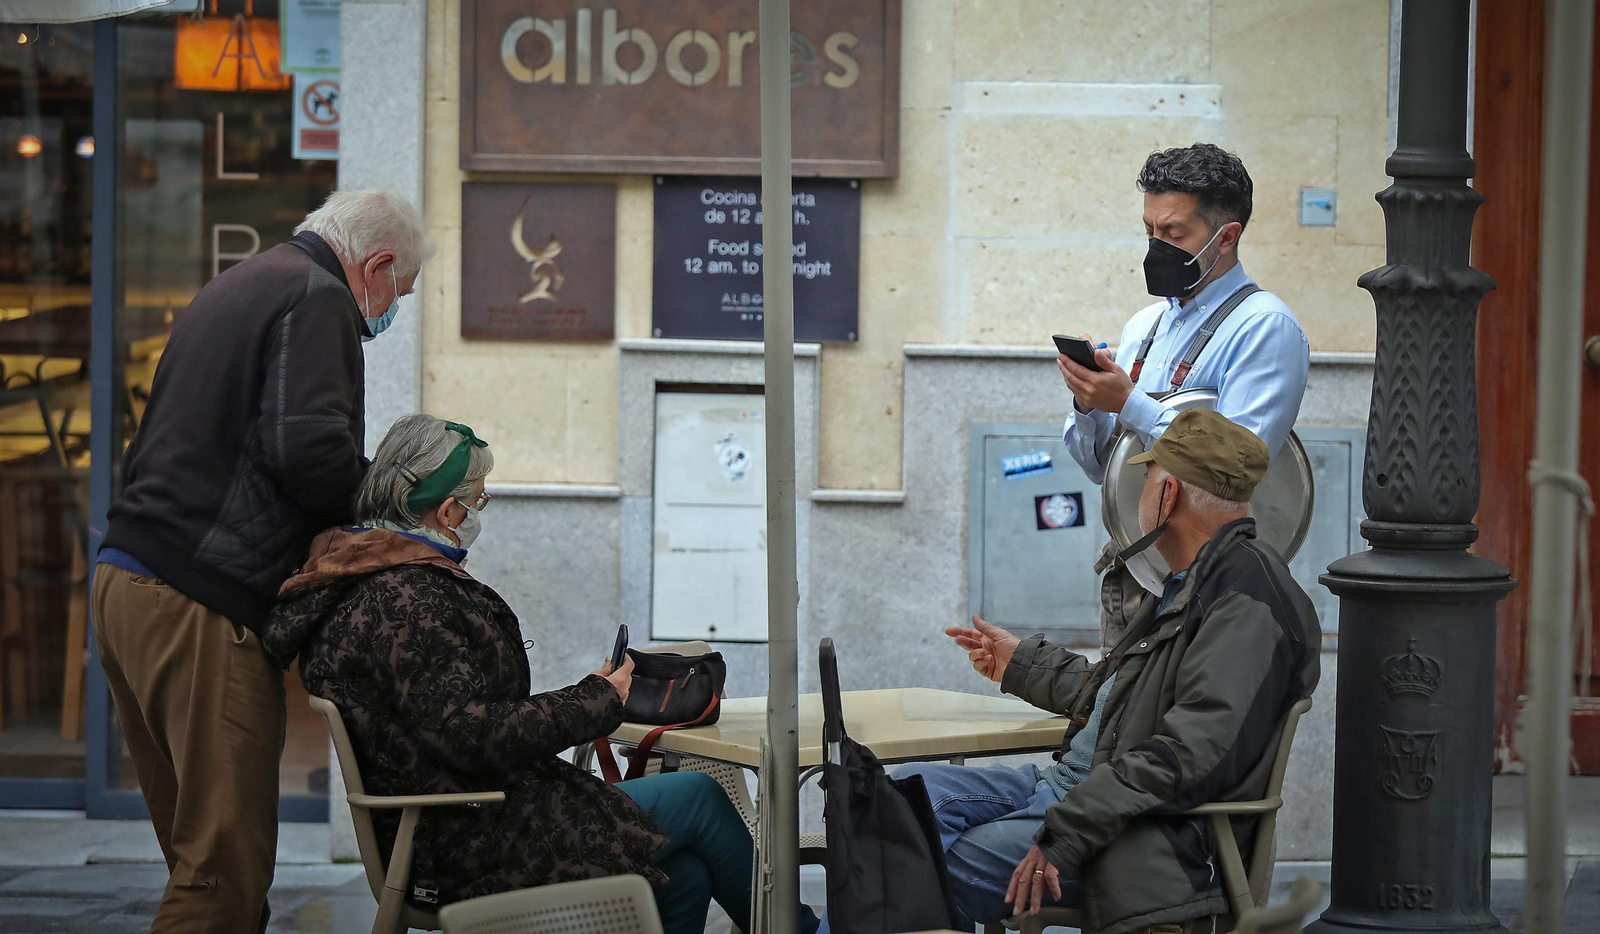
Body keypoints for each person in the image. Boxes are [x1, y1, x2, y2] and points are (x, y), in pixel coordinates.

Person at [260, 415, 822, 934]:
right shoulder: (407, 600)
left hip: (464, 814)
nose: (479, 512)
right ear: (447, 512)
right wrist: (595, 699)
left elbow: (454, 715)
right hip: (466, 837)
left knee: (685, 874)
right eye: (478, 499)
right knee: (697, 795)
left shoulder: (372, 580)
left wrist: (593, 695)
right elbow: (472, 734)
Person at [817, 411, 1320, 934]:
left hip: (1142, 840)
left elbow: (1192, 754)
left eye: (1147, 478)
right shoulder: (1196, 580)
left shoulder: (1244, 600)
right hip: (1074, 792)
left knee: (913, 854)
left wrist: (1068, 830)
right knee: (899, 798)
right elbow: (1124, 698)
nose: (1140, 493)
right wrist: (1020, 665)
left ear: (1168, 495)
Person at [92, 187, 432, 933]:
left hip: (129, 580)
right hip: (199, 599)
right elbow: (309, 452)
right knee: (221, 876)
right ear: (377, 266)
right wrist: (392, 517)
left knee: (201, 860)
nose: (391, 310)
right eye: (401, 291)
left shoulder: (241, 283)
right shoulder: (318, 297)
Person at [1060, 143, 1310, 649]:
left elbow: (1234, 469)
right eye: (1149, 231)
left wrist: (1129, 403)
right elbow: (1103, 470)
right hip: (1133, 571)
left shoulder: (1264, 326)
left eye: (1174, 234)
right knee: (1117, 705)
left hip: (1210, 588)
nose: (1157, 246)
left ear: (1227, 237)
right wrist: (1089, 403)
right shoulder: (1145, 324)